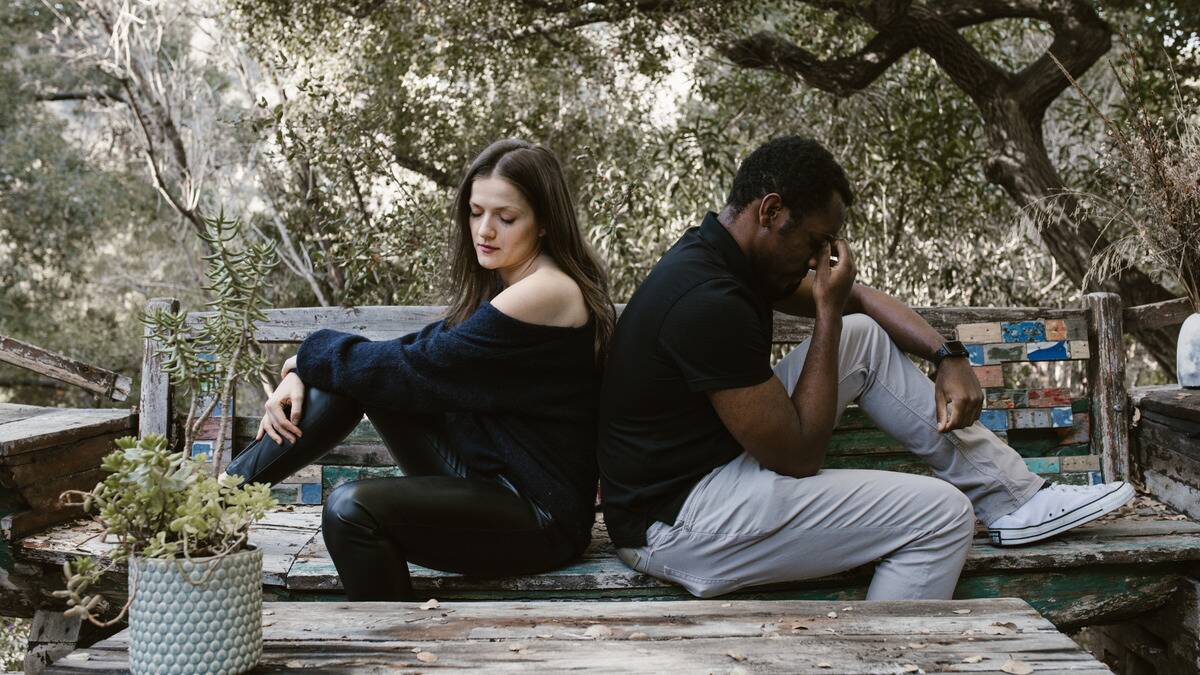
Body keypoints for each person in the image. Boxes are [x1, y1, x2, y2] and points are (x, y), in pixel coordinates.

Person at [597, 135, 1134, 600]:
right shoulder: (707, 299)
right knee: (942, 518)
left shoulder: (731, 257)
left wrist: (948, 356)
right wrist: (827, 311)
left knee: (861, 336)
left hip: (710, 472)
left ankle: (1014, 501)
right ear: (771, 211)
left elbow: (861, 301)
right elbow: (800, 455)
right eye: (814, 243)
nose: (817, 262)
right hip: (677, 525)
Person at [224, 138, 616, 601]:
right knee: (359, 375)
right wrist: (301, 371)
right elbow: (410, 354)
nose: (485, 230)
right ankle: (220, 502)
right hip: (486, 479)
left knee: (350, 509)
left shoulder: (546, 291)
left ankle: (394, 647)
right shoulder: (509, 283)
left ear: (546, 222)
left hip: (538, 515)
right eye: (475, 212)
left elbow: (418, 365)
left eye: (505, 218)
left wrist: (306, 357)